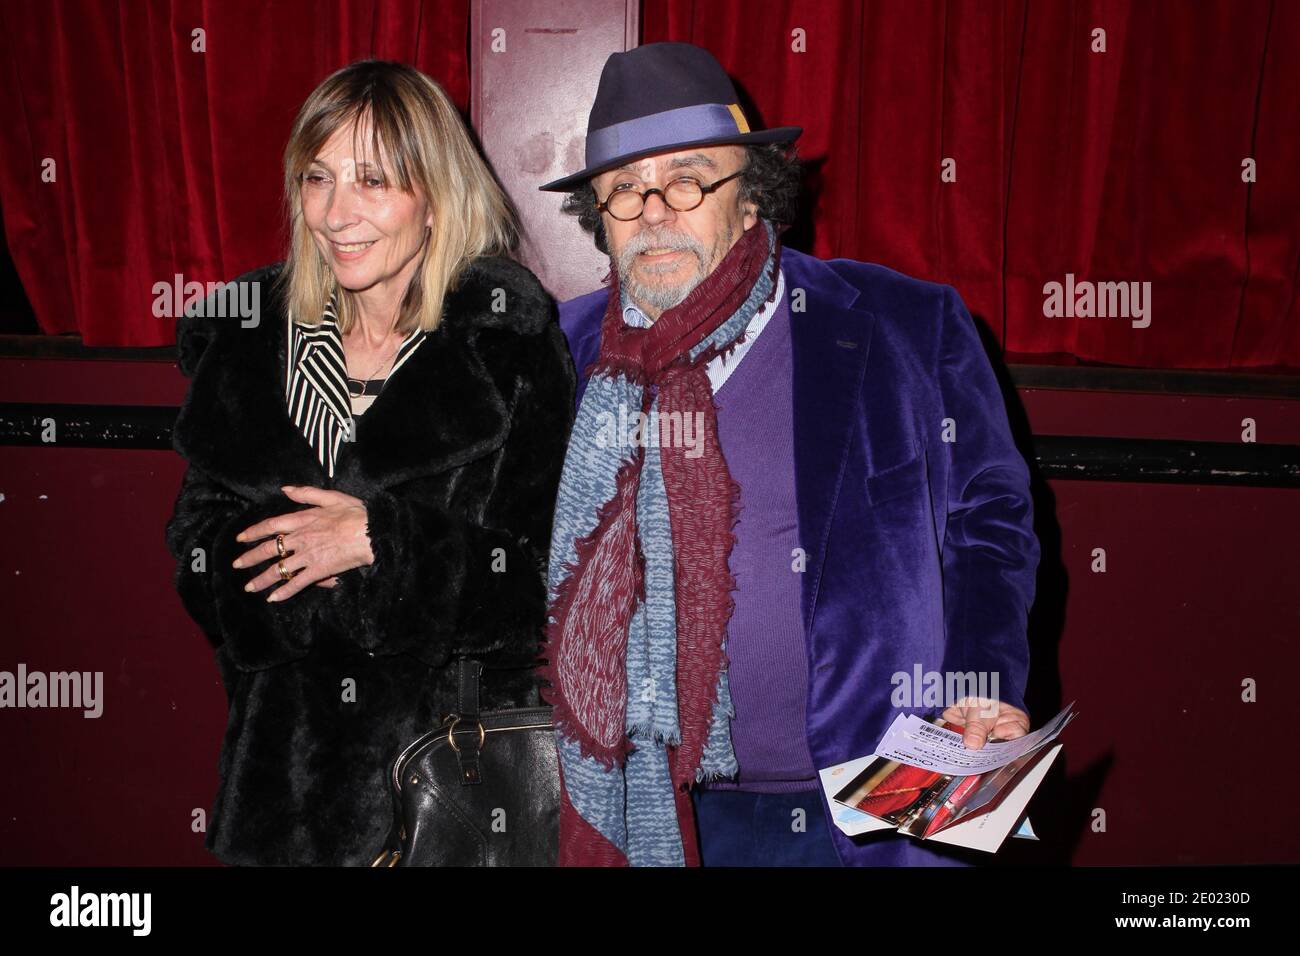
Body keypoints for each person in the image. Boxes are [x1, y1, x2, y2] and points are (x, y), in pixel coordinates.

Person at [537, 42, 1039, 867]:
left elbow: (992, 524)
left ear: (751, 198)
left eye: (689, 177)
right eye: (624, 190)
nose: (655, 210)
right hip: (659, 811)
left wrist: (980, 686)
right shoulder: (563, 355)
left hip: (879, 793)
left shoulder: (908, 325)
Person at [165, 59, 574, 866]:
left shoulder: (504, 343)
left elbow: (543, 583)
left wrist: (384, 544)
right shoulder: (250, 345)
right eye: (317, 178)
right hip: (279, 790)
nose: (337, 212)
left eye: (375, 181)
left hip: (444, 788)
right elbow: (194, 550)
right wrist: (286, 562)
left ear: (434, 197)